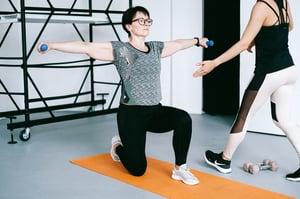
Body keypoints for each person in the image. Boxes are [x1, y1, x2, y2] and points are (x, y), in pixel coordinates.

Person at [38, 6, 210, 185]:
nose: (146, 24)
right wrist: (52, 45)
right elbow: (86, 47)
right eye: (141, 20)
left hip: (154, 111)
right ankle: (118, 146)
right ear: (129, 26)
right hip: (131, 114)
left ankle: (180, 169)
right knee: (138, 170)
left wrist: (197, 41)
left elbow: (178, 44)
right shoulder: (122, 50)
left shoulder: (155, 48)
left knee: (183, 119)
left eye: (148, 20)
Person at [193, 0, 300, 182]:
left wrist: (214, 63)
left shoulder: (261, 6)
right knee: (284, 120)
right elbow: (289, 26)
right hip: (288, 70)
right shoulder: (283, 1)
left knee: (243, 117)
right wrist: (258, 38)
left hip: (269, 72)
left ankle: (224, 160)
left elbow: (243, 44)